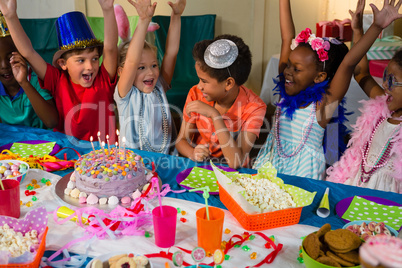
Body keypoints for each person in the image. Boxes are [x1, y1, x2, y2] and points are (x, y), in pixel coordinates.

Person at [253, 0, 401, 180]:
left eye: (296, 69)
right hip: (270, 165)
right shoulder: (287, 86)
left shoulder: (322, 106)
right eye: (289, 65)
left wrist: (376, 27)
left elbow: (348, 64)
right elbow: (287, 36)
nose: (287, 72)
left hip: (300, 176)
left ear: (319, 77)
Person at [0, 0, 118, 142]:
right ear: (63, 63)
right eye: (81, 60)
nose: (90, 66)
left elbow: (110, 48)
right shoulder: (57, 80)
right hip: (67, 154)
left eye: (94, 59)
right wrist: (10, 16)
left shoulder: (103, 79)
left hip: (103, 156)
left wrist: (107, 9)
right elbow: (29, 53)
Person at [326, 0, 402, 193]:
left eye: (393, 81)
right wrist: (358, 30)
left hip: (387, 197)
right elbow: (361, 74)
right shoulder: (382, 102)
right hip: (355, 184)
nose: (384, 85)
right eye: (385, 77)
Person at [175, 34, 267, 169]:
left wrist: (215, 116)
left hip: (232, 174)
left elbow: (236, 162)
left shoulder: (255, 107)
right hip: (199, 166)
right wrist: (193, 153)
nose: (199, 86)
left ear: (228, 83)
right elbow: (181, 141)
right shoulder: (196, 93)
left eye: (204, 81)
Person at [114, 0, 185, 155]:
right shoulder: (125, 94)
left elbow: (171, 53)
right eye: (141, 67)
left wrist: (177, 15)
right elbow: (131, 61)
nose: (151, 73)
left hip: (166, 161)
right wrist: (144, 20)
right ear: (121, 72)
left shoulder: (159, 86)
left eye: (154, 65)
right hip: (133, 168)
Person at [0, 12, 58, 129]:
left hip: (42, 144)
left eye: (9, 58)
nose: (4, 65)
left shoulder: (36, 79)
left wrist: (24, 83)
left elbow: (52, 122)